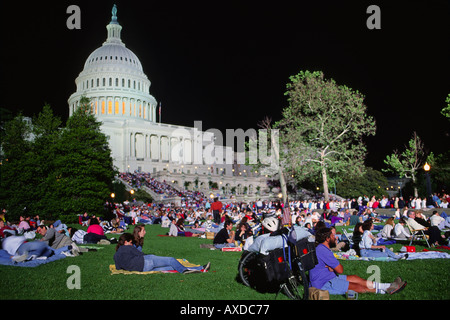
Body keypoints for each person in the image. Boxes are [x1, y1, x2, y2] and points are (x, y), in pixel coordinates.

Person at [309, 227, 407, 295]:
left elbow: (334, 268)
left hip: (328, 276)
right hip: (323, 283)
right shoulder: (323, 251)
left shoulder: (321, 248)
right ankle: (386, 290)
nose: (335, 238)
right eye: (333, 236)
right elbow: (340, 270)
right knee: (357, 287)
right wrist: (333, 268)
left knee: (355, 278)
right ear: (327, 238)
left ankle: (389, 285)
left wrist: (331, 268)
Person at [113, 233, 210, 273]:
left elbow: (118, 268)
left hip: (143, 269)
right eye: (130, 242)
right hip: (146, 262)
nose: (131, 244)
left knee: (173, 267)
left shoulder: (116, 255)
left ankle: (200, 269)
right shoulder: (128, 248)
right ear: (126, 242)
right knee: (171, 260)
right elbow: (141, 255)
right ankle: (190, 270)